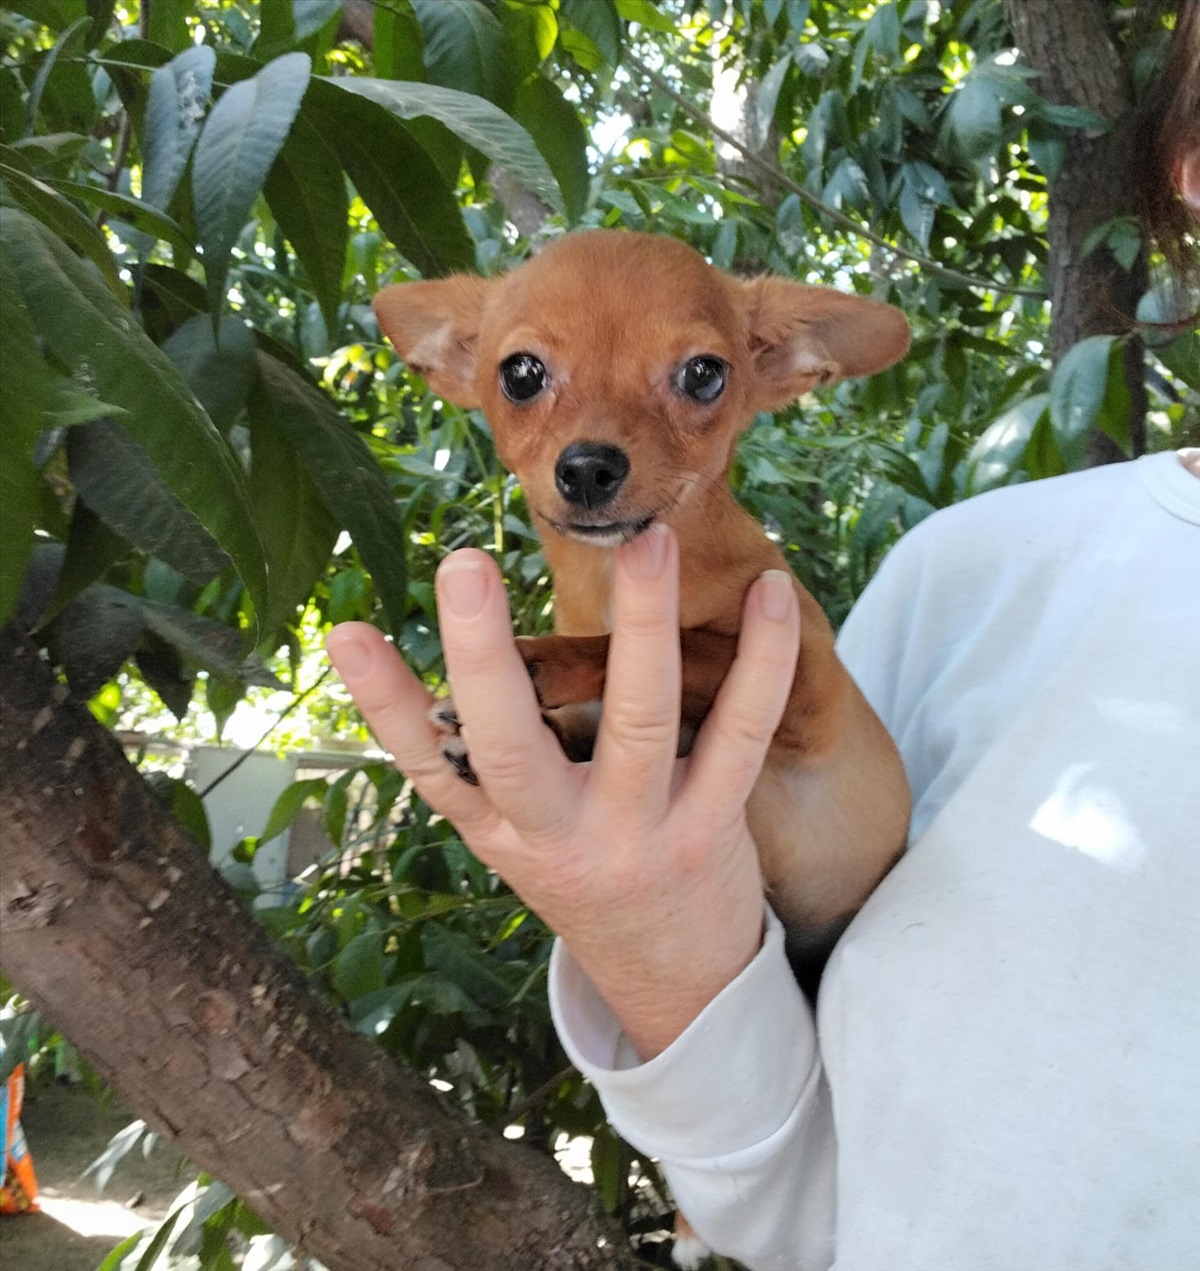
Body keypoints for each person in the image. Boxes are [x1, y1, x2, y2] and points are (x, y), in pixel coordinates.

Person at [327, 22, 1200, 1267]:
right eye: (527, 376)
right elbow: (806, 1194)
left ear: (771, 368)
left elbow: (768, 699)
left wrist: (563, 680)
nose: (594, 440)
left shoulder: (767, 603)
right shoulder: (963, 581)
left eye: (689, 379)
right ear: (459, 364)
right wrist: (648, 944)